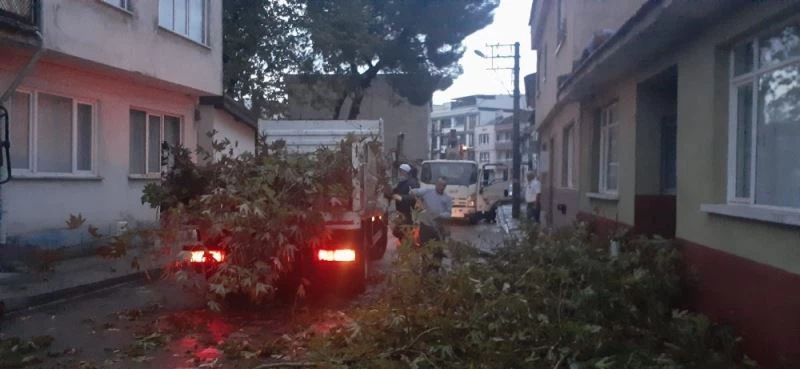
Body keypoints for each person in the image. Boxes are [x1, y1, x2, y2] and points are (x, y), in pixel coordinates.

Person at [396, 177, 452, 245]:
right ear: (436, 184)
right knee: (424, 245)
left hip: (438, 226)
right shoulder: (428, 191)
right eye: (439, 184)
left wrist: (440, 215)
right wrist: (412, 191)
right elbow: (416, 192)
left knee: (438, 246)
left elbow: (449, 213)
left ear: (445, 186)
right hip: (425, 225)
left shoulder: (447, 198)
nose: (441, 187)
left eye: (443, 185)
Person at [391, 164, 418, 240]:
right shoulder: (401, 183)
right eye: (399, 172)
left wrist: (402, 198)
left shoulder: (412, 183)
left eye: (402, 172)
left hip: (408, 213)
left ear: (407, 173)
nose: (400, 174)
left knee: (406, 232)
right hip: (401, 212)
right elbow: (394, 191)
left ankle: (408, 244)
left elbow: (414, 196)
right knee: (398, 231)